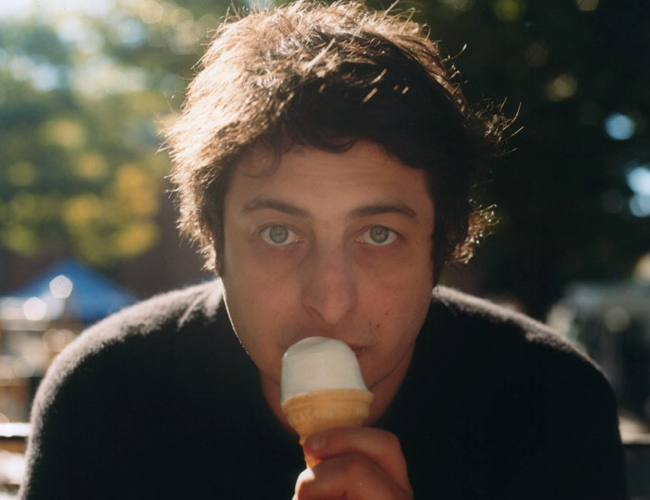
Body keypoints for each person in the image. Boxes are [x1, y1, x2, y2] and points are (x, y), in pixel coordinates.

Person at [21, 1, 627, 499]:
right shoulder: (104, 395)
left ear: (444, 243)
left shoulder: (549, 402)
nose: (331, 302)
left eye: (379, 234)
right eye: (279, 233)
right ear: (212, 236)